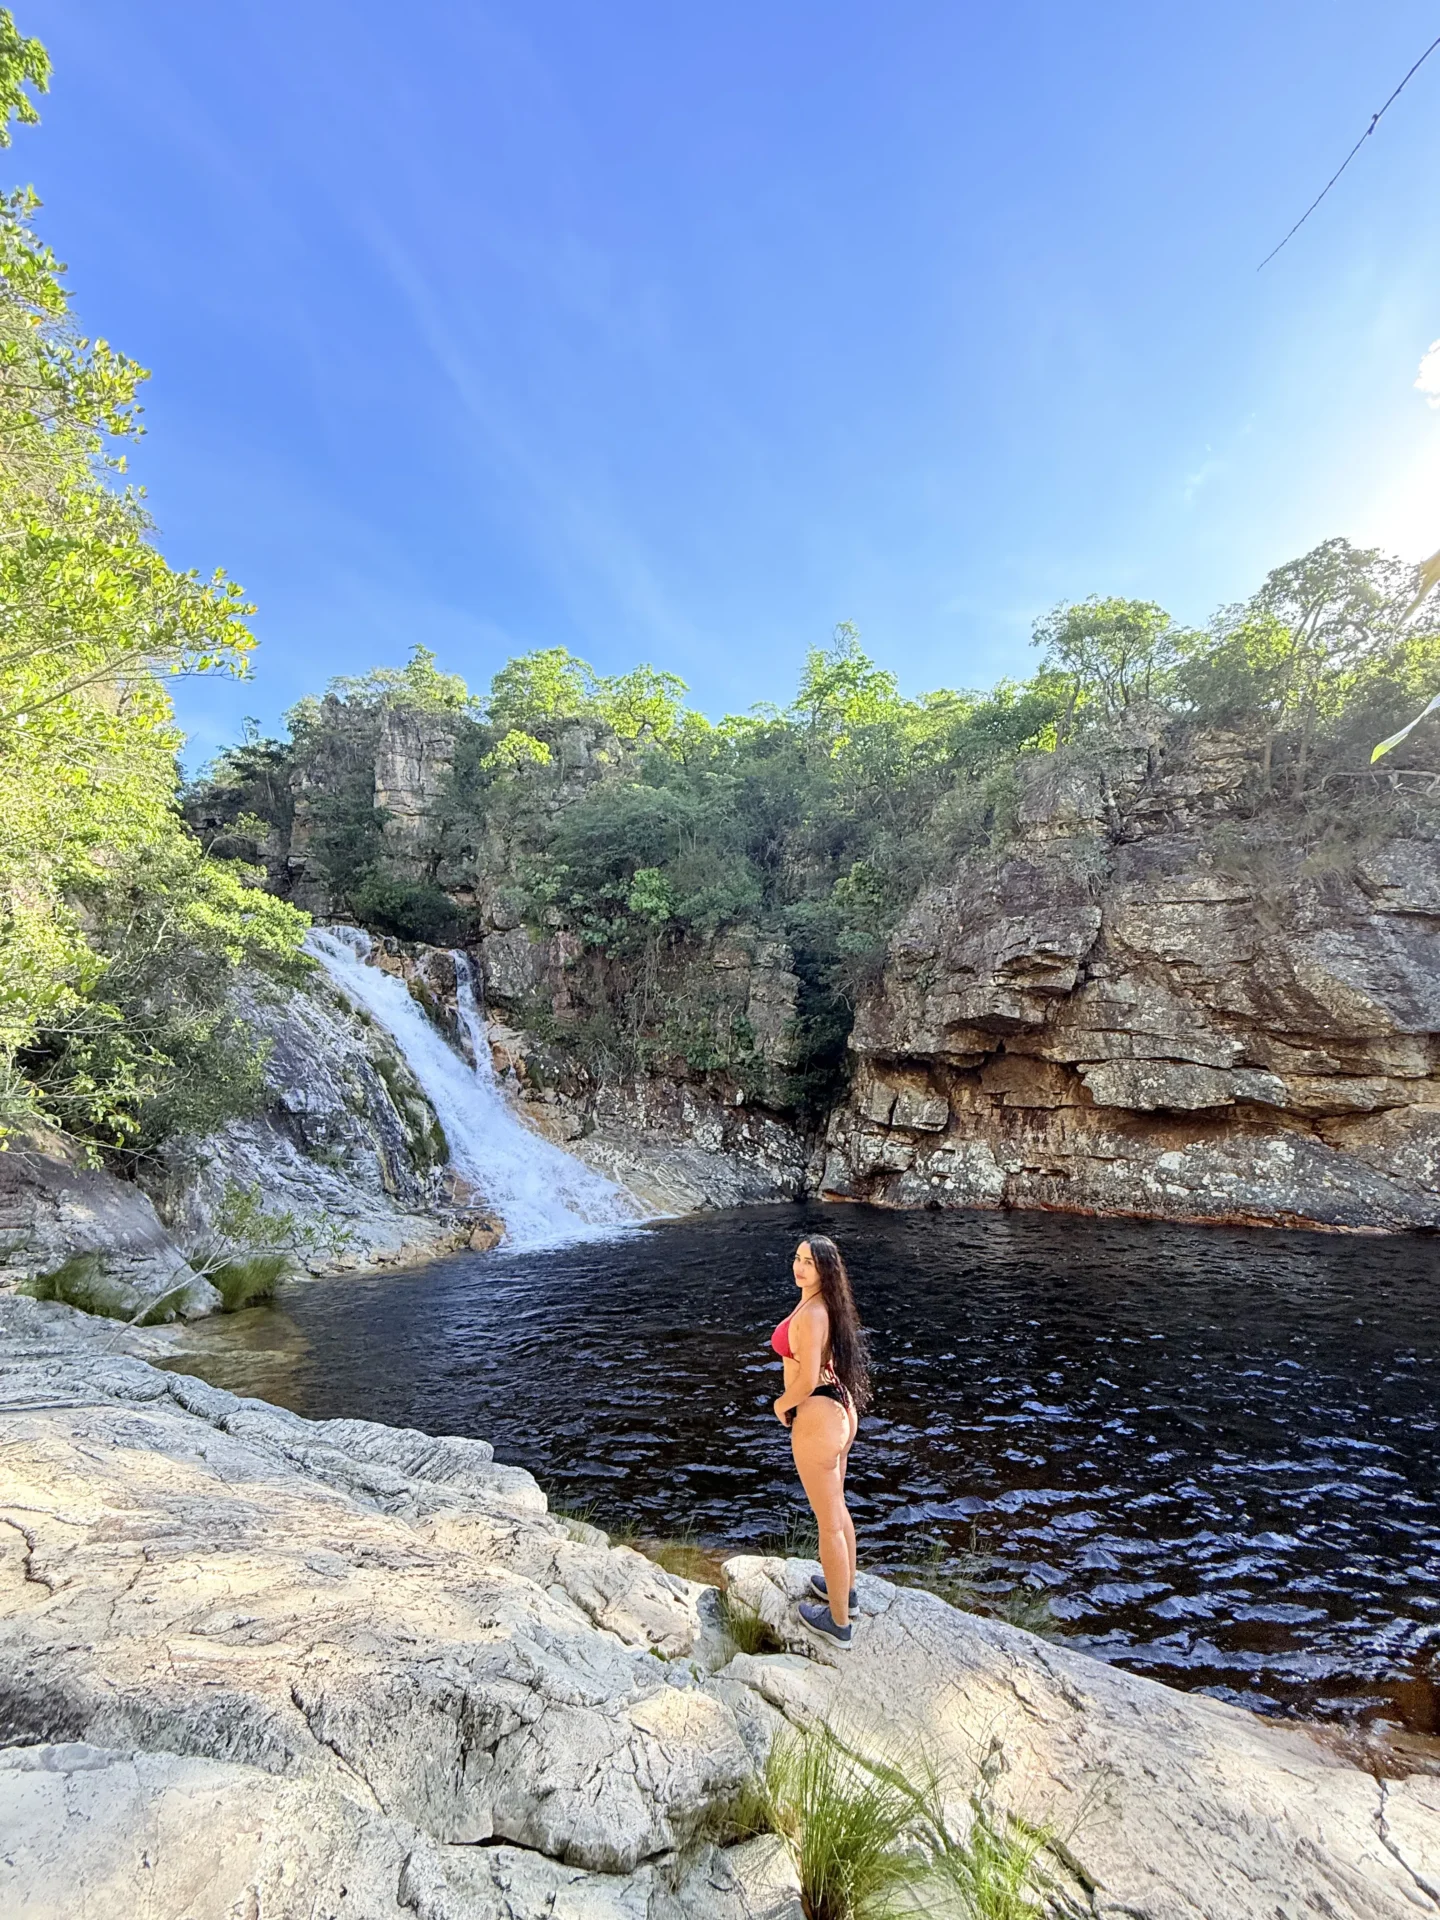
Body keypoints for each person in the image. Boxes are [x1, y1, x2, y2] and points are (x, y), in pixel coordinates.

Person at [771, 1233, 871, 1649]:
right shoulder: (822, 1304)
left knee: (828, 1521)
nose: (799, 1267)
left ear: (824, 1269)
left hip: (817, 1416)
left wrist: (781, 1404)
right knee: (838, 1509)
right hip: (839, 1409)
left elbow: (808, 1378)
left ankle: (838, 1623)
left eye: (808, 1262)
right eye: (797, 1258)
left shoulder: (812, 1314)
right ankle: (843, 1590)